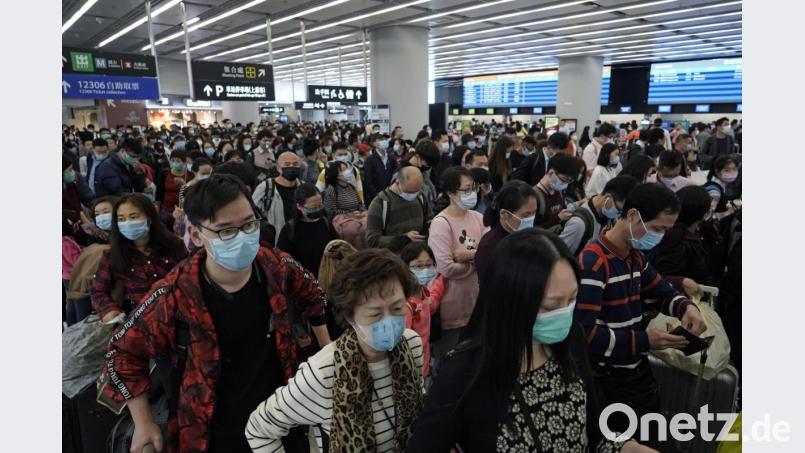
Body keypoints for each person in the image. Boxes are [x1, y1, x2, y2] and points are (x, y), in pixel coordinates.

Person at [101, 174, 330, 453]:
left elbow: (314, 295)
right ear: (197, 235)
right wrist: (143, 421)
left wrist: (325, 347)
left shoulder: (276, 267)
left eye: (248, 224)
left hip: (281, 422)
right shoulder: (173, 295)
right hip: (209, 431)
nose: (243, 237)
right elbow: (121, 352)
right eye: (226, 231)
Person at [407, 229, 657, 453]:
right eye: (551, 305)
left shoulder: (572, 340)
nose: (565, 314)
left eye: (571, 300)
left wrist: (626, 447)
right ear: (509, 302)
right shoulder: (464, 372)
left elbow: (594, 433)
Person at [246, 248, 424, 453]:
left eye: (397, 308)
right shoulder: (324, 371)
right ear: (349, 316)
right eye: (374, 314)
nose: (389, 321)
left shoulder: (412, 345)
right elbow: (259, 429)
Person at [575, 183, 706, 445]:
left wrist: (685, 307)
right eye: (658, 229)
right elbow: (584, 336)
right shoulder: (593, 262)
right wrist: (646, 341)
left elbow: (662, 290)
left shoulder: (635, 258)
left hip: (635, 371)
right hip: (608, 381)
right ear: (633, 215)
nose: (661, 236)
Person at [90, 194, 187, 323]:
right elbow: (98, 290)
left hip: (181, 317)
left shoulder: (174, 245)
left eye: (134, 217)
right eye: (121, 219)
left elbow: (192, 279)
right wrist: (109, 310)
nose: (127, 223)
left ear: (149, 217)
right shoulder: (113, 255)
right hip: (143, 322)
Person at [428, 167, 489, 360]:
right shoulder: (441, 223)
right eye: (467, 189)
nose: (472, 193)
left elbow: (490, 254)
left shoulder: (479, 218)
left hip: (476, 301)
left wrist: (465, 255)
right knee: (449, 360)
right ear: (451, 193)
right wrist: (476, 261)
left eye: (474, 188)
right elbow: (445, 267)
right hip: (451, 305)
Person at [648, 185, 718, 285]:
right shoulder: (677, 242)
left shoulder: (695, 234)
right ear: (703, 214)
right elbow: (659, 277)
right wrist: (681, 282)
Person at [559, 175, 639, 255]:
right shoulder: (579, 223)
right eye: (619, 210)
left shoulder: (607, 218)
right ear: (608, 197)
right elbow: (559, 257)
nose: (619, 216)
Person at [400, 241, 446, 377]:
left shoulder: (423, 292)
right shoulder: (405, 304)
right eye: (418, 266)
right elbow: (403, 343)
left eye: (429, 265)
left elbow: (432, 303)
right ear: (405, 268)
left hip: (423, 365)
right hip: (410, 371)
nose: (425, 270)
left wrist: (442, 281)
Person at [474, 180, 537, 277]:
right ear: (504, 214)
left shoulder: (529, 236)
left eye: (534, 213)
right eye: (526, 215)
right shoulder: (490, 247)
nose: (531, 219)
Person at [367, 166, 433, 253]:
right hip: (394, 258)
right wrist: (404, 239)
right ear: (397, 182)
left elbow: (430, 221)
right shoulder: (380, 203)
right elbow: (372, 240)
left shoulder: (420, 196)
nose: (413, 195)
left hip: (420, 253)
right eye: (409, 192)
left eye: (416, 191)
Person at [277, 184, 338, 276]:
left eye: (320, 205)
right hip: (303, 282)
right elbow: (282, 260)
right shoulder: (289, 230)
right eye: (313, 207)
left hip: (327, 276)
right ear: (299, 206)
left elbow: (337, 245)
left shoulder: (325, 223)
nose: (318, 209)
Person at [252, 151, 301, 245]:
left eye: (295, 164)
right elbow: (253, 213)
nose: (291, 167)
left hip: (300, 240)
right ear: (278, 168)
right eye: (287, 164)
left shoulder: (303, 186)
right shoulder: (265, 187)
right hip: (276, 241)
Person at [534, 153, 579, 229]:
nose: (565, 184)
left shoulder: (559, 191)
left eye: (569, 181)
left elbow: (563, 211)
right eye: (564, 180)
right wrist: (558, 218)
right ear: (551, 173)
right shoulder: (534, 196)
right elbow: (529, 231)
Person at [155, 149, 194, 229]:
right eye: (172, 160)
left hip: (184, 210)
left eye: (178, 161)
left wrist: (184, 185)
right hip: (167, 210)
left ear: (184, 162)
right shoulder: (164, 173)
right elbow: (159, 193)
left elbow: (193, 194)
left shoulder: (190, 175)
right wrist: (157, 209)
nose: (175, 163)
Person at [363, 133, 399, 204]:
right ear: (374, 143)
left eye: (384, 139)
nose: (383, 141)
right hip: (377, 197)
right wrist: (378, 195)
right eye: (380, 140)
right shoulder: (370, 160)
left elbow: (397, 173)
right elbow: (368, 181)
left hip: (392, 194)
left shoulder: (391, 157)